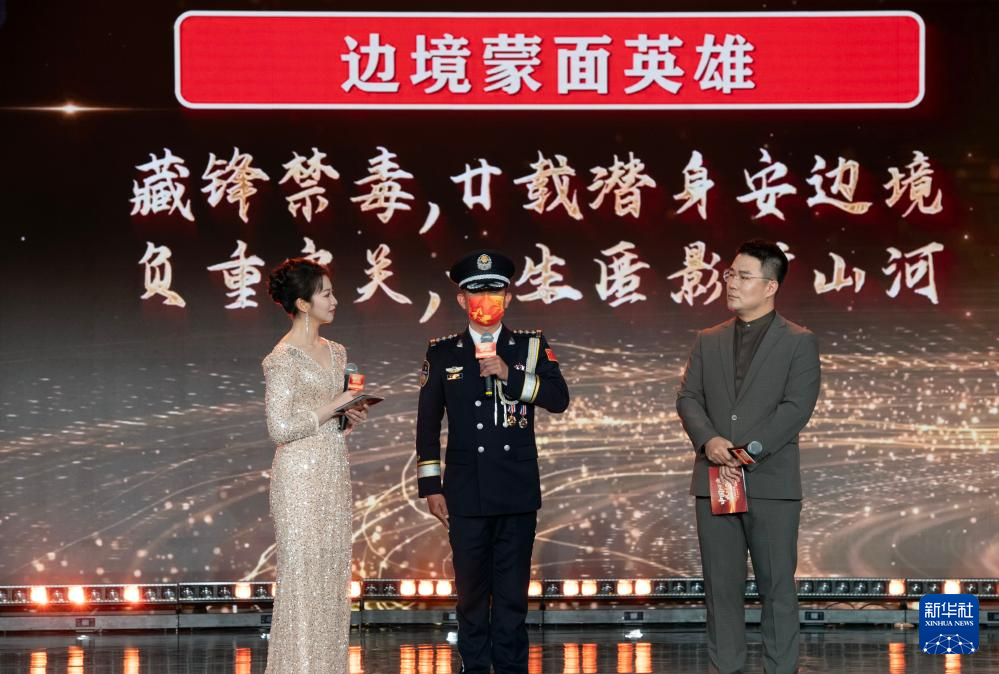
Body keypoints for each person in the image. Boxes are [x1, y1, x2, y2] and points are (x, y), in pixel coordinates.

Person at [415, 249, 570, 674]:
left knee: (512, 595)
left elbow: (559, 399)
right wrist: (431, 486)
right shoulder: (443, 353)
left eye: (495, 293)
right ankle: (474, 667)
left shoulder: (531, 347)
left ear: (509, 298)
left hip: (516, 490)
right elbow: (427, 425)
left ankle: (512, 668)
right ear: (461, 299)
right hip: (465, 493)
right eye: (476, 293)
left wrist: (510, 374)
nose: (486, 300)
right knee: (470, 595)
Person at [676, 239, 821, 674]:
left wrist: (747, 451)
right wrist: (709, 441)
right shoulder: (708, 340)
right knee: (721, 589)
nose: (732, 283)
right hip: (715, 479)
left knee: (777, 589)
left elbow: (796, 407)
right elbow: (688, 397)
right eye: (730, 274)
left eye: (743, 276)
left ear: (770, 286)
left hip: (771, 483)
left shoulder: (798, 341)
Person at [262, 258, 369, 674]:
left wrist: (349, 416)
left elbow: (331, 421)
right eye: (326, 293)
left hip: (332, 469)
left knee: (330, 578)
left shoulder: (337, 352)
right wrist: (334, 405)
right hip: (298, 479)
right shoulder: (282, 359)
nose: (334, 300)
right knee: (303, 579)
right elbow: (280, 427)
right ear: (303, 304)